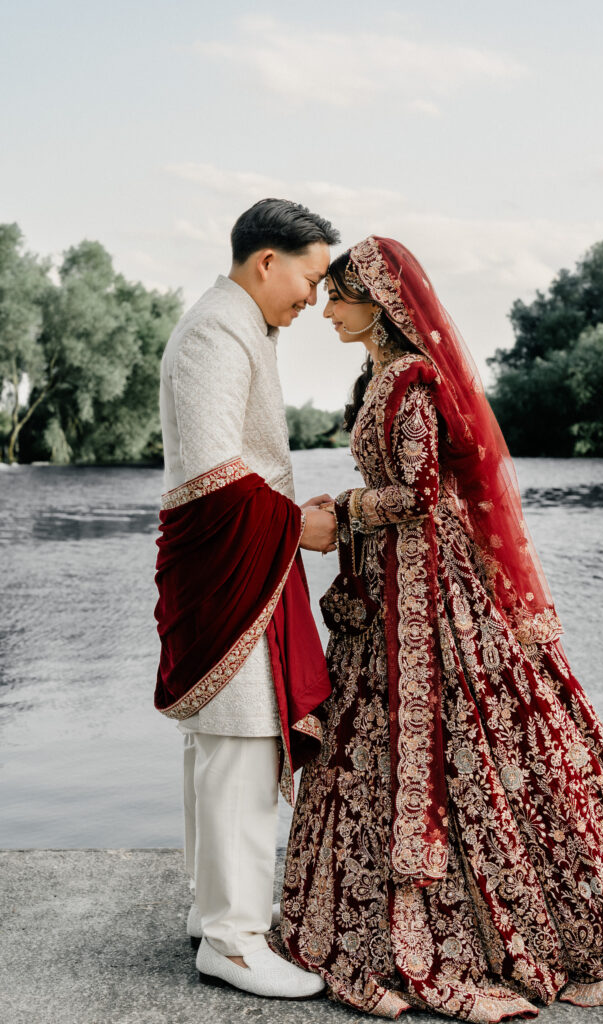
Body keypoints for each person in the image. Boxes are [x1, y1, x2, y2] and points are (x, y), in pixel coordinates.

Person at [277, 236, 603, 1019]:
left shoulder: (410, 382)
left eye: (339, 298)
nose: (326, 312)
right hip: (394, 583)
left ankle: (502, 916)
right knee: (397, 735)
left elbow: (419, 495)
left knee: (478, 733)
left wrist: (347, 508)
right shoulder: (379, 376)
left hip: (432, 588)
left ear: (378, 305)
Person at [154, 199, 339, 999]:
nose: (314, 298)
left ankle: (212, 912)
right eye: (310, 277)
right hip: (233, 565)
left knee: (219, 743)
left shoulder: (236, 325)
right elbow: (213, 472)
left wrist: (291, 520)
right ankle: (232, 944)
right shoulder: (217, 332)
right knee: (241, 741)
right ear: (267, 261)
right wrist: (297, 526)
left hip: (234, 559)